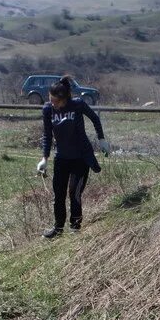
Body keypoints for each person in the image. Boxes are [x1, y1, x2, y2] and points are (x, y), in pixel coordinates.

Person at [37, 75, 111, 239]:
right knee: (58, 194)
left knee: (74, 193)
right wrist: (45, 158)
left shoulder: (77, 105)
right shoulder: (48, 109)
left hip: (80, 158)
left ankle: (75, 228)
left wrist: (102, 139)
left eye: (56, 101)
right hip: (62, 158)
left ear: (64, 99)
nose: (53, 103)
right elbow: (47, 135)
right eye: (51, 99)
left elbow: (95, 118)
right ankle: (58, 229)